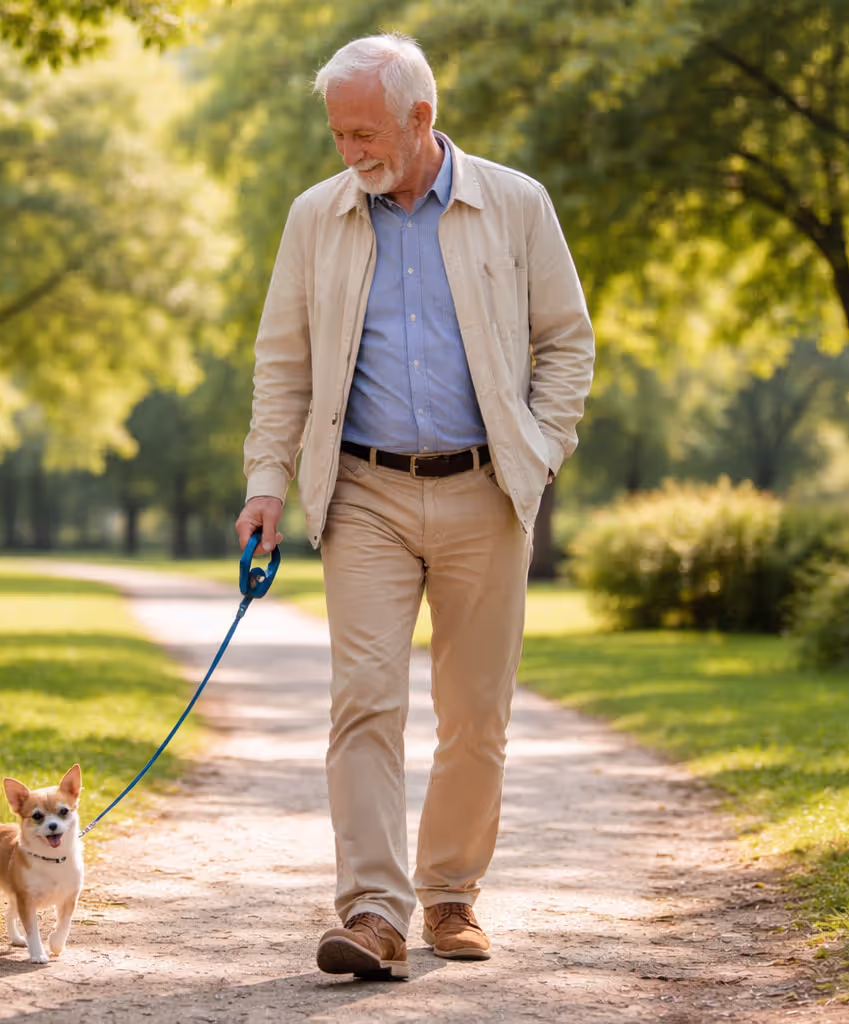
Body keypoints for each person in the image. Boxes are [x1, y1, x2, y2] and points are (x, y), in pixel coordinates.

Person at [233, 33, 595, 978]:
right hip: (364, 495)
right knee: (365, 702)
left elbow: (566, 343)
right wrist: (267, 482)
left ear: (420, 118)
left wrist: (541, 449)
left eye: (362, 132)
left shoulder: (516, 204)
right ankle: (372, 912)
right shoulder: (318, 217)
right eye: (338, 134)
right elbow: (282, 363)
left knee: (477, 713)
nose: (348, 152)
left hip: (487, 490)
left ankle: (450, 896)